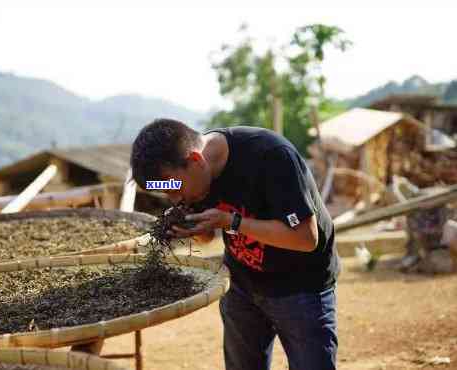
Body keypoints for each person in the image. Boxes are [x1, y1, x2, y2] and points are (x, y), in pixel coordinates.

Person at [130, 118, 339, 370]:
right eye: (166, 192)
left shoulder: (271, 156)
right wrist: (189, 228)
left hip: (300, 287)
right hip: (242, 285)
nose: (175, 199)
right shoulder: (193, 176)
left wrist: (232, 222)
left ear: (196, 160)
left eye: (175, 189)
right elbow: (207, 236)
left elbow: (305, 238)